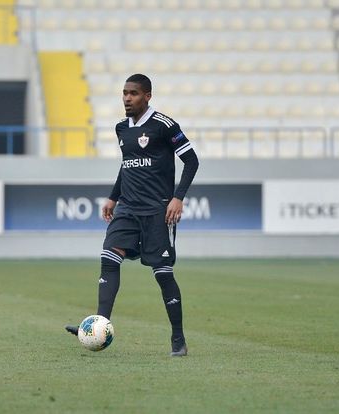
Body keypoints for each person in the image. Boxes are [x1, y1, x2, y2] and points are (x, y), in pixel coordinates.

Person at [66, 74, 199, 357]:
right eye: (124, 93)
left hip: (157, 211)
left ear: (147, 96)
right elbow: (127, 165)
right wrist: (113, 197)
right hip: (127, 208)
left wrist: (177, 198)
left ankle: (178, 338)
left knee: (163, 274)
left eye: (133, 93)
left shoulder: (164, 125)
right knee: (108, 258)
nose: (127, 98)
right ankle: (99, 326)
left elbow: (191, 160)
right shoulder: (122, 128)